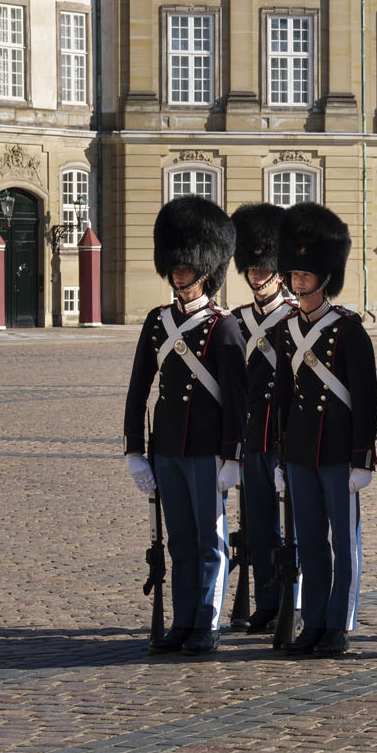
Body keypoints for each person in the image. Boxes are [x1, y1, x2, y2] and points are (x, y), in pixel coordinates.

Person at [121, 196, 242, 654]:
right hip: (168, 446)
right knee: (180, 542)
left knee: (210, 542)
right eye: (175, 265)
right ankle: (183, 619)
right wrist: (135, 450)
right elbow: (139, 388)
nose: (178, 273)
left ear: (205, 270)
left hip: (207, 449)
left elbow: (236, 399)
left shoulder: (223, 326)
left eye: (187, 267)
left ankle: (206, 623)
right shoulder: (158, 322)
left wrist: (233, 455)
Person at [260, 202, 377, 657]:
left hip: (338, 453)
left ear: (325, 276)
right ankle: (312, 622)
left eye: (307, 274)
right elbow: (282, 397)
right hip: (302, 453)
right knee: (308, 541)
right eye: (294, 273)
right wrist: (280, 456)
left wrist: (362, 458)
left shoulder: (349, 330)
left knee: (343, 546)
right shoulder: (288, 330)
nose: (298, 280)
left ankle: (338, 625)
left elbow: (366, 399)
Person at [225, 201, 295, 635]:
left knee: (295, 526)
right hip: (253, 438)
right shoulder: (237, 320)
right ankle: (268, 601)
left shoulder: (296, 318)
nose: (255, 275)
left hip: (286, 437)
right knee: (257, 527)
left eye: (262, 267)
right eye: (251, 267)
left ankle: (296, 599)